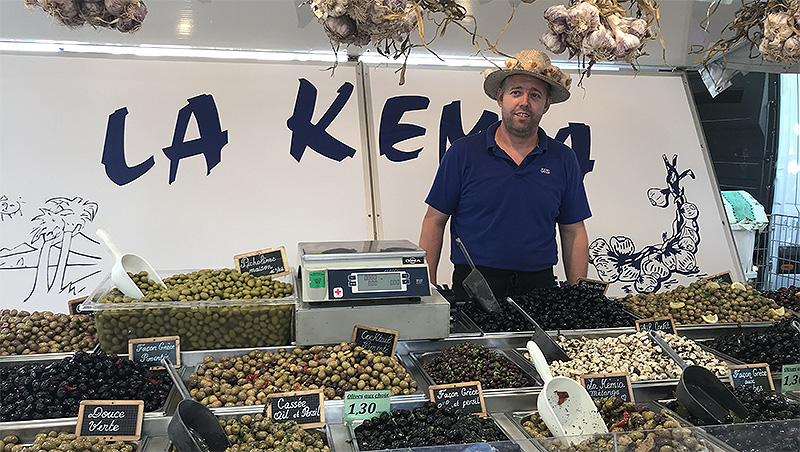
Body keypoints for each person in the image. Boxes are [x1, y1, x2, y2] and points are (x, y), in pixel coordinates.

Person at [419, 49, 591, 301]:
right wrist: (428, 286)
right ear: (500, 98)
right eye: (516, 92)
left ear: (546, 104)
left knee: (537, 343)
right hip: (474, 283)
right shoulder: (463, 153)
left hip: (540, 285)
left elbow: (573, 230)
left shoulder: (563, 158)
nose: (524, 102)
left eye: (535, 95)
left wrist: (578, 296)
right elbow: (434, 220)